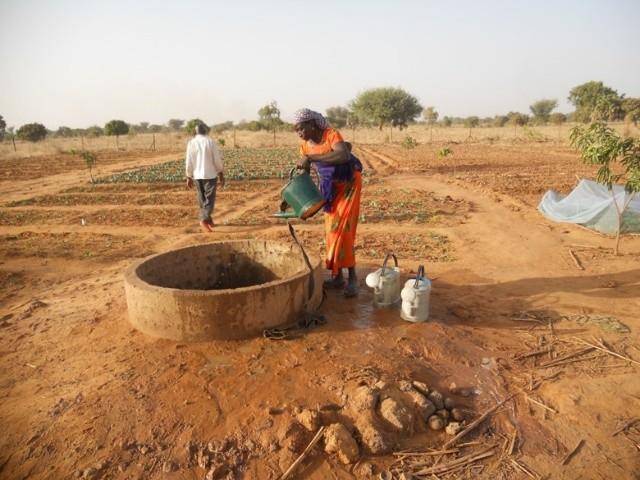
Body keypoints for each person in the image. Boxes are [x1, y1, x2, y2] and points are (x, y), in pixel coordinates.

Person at [293, 108, 363, 298]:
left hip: (349, 185)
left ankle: (353, 278)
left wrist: (311, 158)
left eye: (301, 128)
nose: (300, 133)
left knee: (344, 230)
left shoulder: (331, 135)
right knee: (331, 231)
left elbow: (343, 155)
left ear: (312, 124)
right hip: (330, 188)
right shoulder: (304, 147)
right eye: (296, 130)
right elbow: (306, 176)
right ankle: (338, 276)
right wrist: (298, 200)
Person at [185, 123, 225, 232]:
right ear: (205, 131)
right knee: (209, 200)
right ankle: (203, 219)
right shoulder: (210, 142)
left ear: (195, 132)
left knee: (202, 200)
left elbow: (188, 161)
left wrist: (188, 176)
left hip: (197, 176)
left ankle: (208, 220)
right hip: (210, 175)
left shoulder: (191, 143)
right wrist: (221, 172)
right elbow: (216, 160)